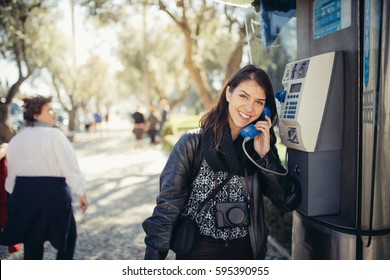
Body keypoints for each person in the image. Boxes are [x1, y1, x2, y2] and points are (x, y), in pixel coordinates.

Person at [142, 65, 301, 260]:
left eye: (259, 102)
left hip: (245, 253)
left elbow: (287, 201)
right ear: (228, 93)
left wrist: (266, 157)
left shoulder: (259, 149)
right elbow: (167, 209)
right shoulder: (192, 144)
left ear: (265, 109)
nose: (249, 108)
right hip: (198, 252)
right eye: (243, 96)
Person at [0, 95, 89, 260]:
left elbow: (10, 180)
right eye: (49, 110)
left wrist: (18, 199)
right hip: (54, 197)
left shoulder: (16, 140)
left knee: (32, 245)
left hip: (25, 198)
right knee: (68, 239)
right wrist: (81, 193)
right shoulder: (55, 136)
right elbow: (71, 169)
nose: (53, 113)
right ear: (35, 115)